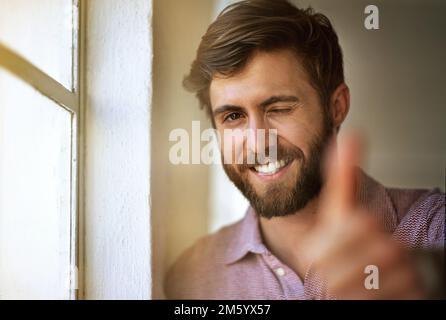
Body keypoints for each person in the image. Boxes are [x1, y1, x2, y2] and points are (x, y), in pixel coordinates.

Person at [164, 0, 445, 299]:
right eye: (233, 117)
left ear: (336, 107)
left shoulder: (432, 227)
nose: (259, 143)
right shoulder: (191, 278)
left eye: (280, 108)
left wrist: (423, 278)